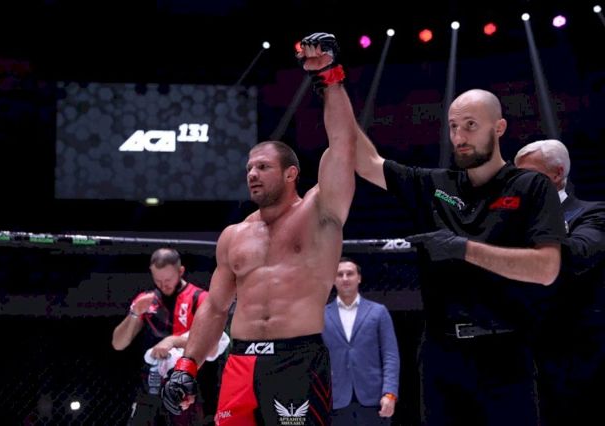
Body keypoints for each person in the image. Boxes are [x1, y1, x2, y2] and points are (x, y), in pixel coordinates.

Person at [328, 84, 566, 425]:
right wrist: (331, 83)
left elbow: (547, 268)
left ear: (499, 128)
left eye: (470, 125)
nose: (459, 137)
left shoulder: (531, 186)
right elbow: (365, 161)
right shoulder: (435, 185)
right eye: (453, 127)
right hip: (441, 353)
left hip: (505, 352)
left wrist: (463, 249)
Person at [161, 32, 357, 425]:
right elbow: (215, 307)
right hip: (240, 362)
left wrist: (331, 79)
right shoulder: (234, 235)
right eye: (249, 168)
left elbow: (342, 146)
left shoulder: (320, 213)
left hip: (297, 360)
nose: (252, 174)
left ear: (290, 174)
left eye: (263, 167)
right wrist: (187, 364)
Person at [514, 139, 605, 426]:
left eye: (529, 175)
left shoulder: (592, 213)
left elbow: (579, 255)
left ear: (557, 173)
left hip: (578, 357)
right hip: (521, 354)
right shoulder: (509, 221)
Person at [112, 247, 228, 426]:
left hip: (185, 387)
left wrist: (172, 341)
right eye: (157, 280)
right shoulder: (147, 300)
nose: (163, 285)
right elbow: (118, 343)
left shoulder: (200, 298)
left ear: (180, 271)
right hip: (150, 387)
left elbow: (212, 345)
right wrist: (134, 313)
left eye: (167, 280)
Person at [322, 256, 400, 425]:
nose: (345, 278)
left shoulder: (378, 312)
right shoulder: (321, 315)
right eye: (339, 274)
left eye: (350, 273)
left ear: (359, 278)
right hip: (334, 399)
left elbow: (390, 356)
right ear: (333, 280)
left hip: (374, 398)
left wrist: (390, 393)